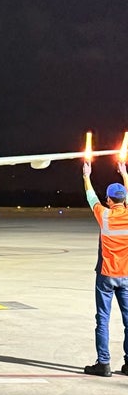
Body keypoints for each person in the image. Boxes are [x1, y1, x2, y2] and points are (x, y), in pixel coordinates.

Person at [83, 161, 128, 376]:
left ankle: (104, 363)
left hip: (106, 275)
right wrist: (125, 174)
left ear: (109, 200)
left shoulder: (105, 215)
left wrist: (86, 176)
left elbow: (91, 197)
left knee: (103, 319)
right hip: (126, 276)